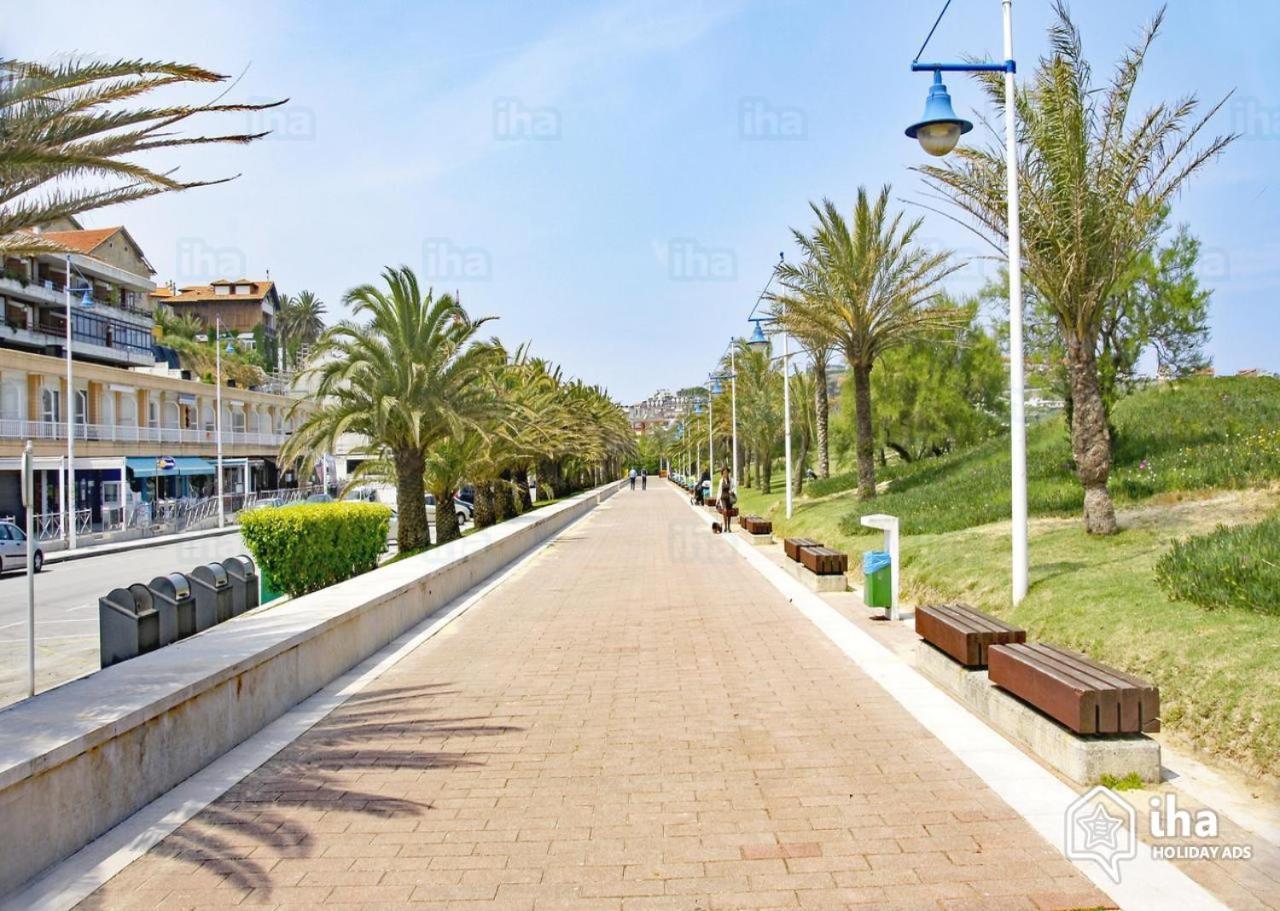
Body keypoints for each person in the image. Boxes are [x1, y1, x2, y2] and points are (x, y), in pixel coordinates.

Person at [718, 467, 734, 531]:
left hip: (729, 498)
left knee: (729, 512)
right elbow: (719, 490)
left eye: (726, 473)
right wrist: (717, 500)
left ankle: (729, 527)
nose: (725, 474)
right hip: (723, 498)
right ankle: (725, 527)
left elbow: (734, 487)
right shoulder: (721, 481)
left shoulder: (731, 480)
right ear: (722, 474)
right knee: (725, 511)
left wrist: (732, 491)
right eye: (724, 473)